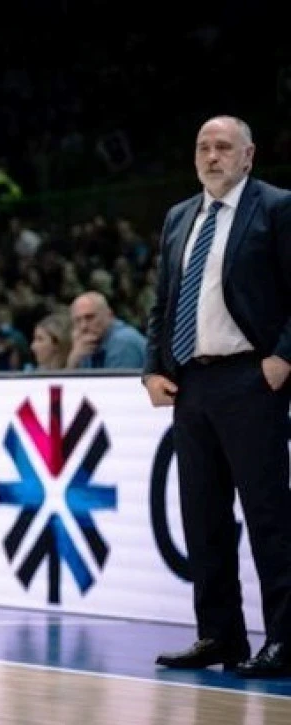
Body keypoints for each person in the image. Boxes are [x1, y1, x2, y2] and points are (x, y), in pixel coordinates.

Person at [146, 115, 291, 678]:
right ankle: (219, 635)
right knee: (202, 515)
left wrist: (281, 358)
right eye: (203, 147)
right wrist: (152, 369)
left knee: (268, 515)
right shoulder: (180, 215)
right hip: (192, 382)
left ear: (248, 155)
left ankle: (284, 639)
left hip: (250, 377)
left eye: (224, 147)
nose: (212, 156)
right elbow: (163, 301)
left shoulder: (276, 207)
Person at [67, 290, 146, 369]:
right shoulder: (87, 345)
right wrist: (74, 359)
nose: (83, 326)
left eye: (90, 317)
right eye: (77, 320)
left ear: (109, 315)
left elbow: (116, 377)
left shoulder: (123, 342)